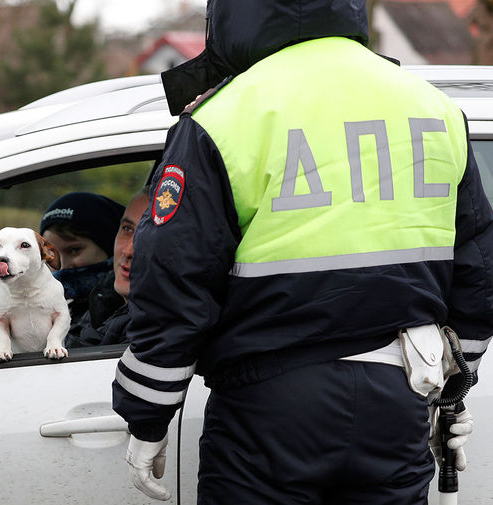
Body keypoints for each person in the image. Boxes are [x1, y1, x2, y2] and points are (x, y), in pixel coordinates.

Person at [112, 1, 493, 503]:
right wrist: (451, 390)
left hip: (269, 407)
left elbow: (175, 277)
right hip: (396, 404)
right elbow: (478, 270)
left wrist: (148, 416)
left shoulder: (223, 115)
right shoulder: (433, 106)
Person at [65, 187, 150, 348]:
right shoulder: (102, 302)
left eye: (149, 235)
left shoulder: (159, 337)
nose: (128, 251)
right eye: (127, 228)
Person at [39, 192, 124, 322]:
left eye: (74, 250)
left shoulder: (127, 309)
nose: (62, 266)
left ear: (111, 247)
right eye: (50, 254)